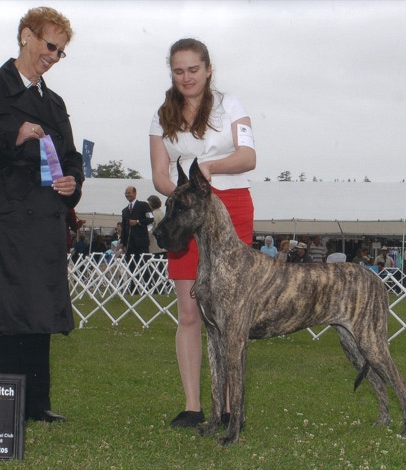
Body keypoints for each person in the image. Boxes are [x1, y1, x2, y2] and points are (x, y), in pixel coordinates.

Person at [0, 6, 84, 423]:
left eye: (60, 52)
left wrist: (73, 183)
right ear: (26, 35)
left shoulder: (55, 103)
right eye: (50, 45)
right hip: (1, 220)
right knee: (6, 311)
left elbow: (70, 157)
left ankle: (37, 404)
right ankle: (3, 406)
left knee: (39, 307)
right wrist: (14, 134)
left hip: (44, 218)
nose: (53, 57)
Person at [150, 38, 256, 427]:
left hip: (232, 207)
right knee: (190, 310)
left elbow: (248, 156)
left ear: (208, 69)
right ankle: (193, 406)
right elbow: (160, 174)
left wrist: (209, 169)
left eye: (193, 69)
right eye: (178, 71)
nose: (186, 77)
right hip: (186, 213)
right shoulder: (161, 116)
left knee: (230, 313)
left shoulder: (231, 105)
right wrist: (183, 194)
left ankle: (228, 407)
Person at [119, 186, 154, 294]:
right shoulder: (125, 211)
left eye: (129, 193)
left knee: (144, 265)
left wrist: (138, 222)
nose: (127, 195)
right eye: (126, 193)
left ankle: (147, 287)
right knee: (131, 267)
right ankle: (133, 288)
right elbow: (124, 228)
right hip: (130, 245)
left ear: (135, 193)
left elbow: (150, 218)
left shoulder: (143, 205)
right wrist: (122, 242)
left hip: (141, 243)